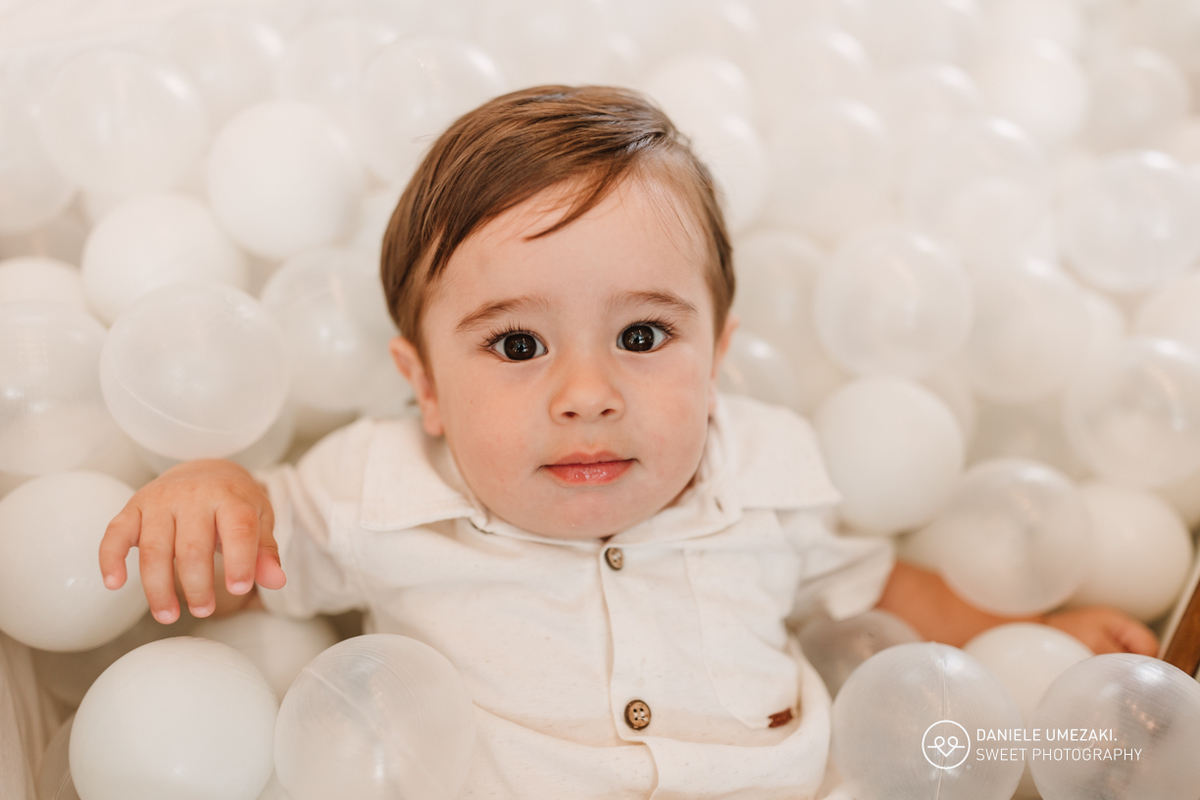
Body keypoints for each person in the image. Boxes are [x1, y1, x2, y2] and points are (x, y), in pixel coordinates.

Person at [99, 85, 1157, 798]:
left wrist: (1042, 628)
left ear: (719, 352)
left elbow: (886, 589)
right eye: (517, 342)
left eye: (643, 335)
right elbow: (239, 555)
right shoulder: (378, 486)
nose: (588, 392)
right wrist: (208, 487)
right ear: (422, 384)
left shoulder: (766, 469)